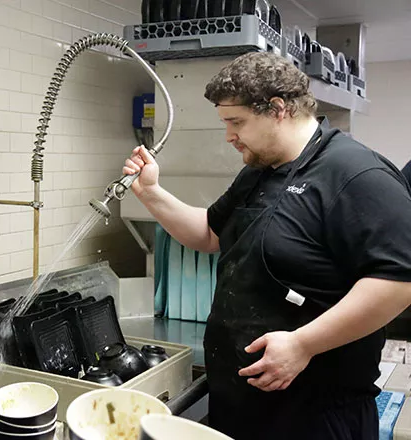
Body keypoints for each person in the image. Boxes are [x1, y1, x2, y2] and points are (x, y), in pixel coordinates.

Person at [123, 52, 411, 440]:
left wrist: (304, 344)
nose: (228, 135)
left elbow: (398, 282)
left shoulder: (357, 174)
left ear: (278, 110)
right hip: (243, 404)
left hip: (314, 416)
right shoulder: (259, 172)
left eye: (236, 122)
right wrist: (152, 194)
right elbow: (209, 233)